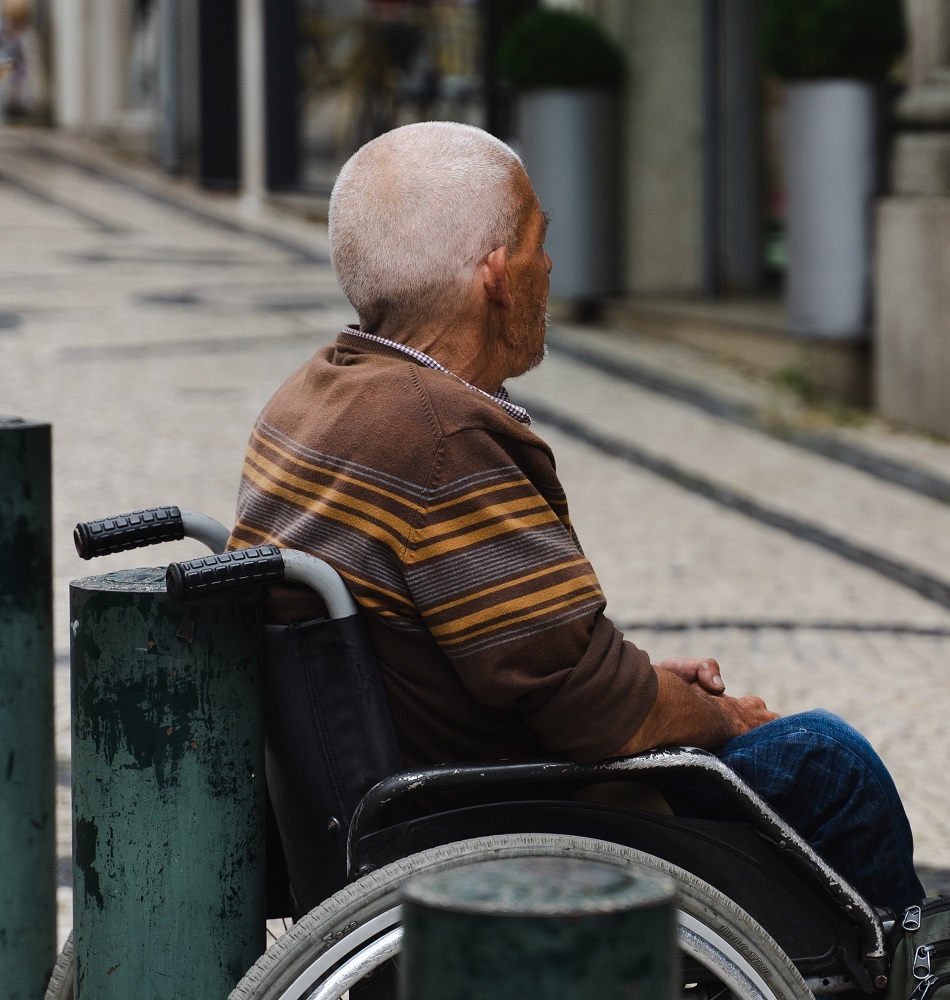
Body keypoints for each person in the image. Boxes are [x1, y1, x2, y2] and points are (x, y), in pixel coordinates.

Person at [229, 120, 923, 915]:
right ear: (496, 274)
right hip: (496, 819)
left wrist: (652, 685)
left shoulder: (315, 395)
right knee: (827, 763)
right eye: (537, 241)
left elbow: (539, 657)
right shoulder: (441, 436)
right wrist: (715, 717)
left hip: (406, 793)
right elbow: (597, 711)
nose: (549, 266)